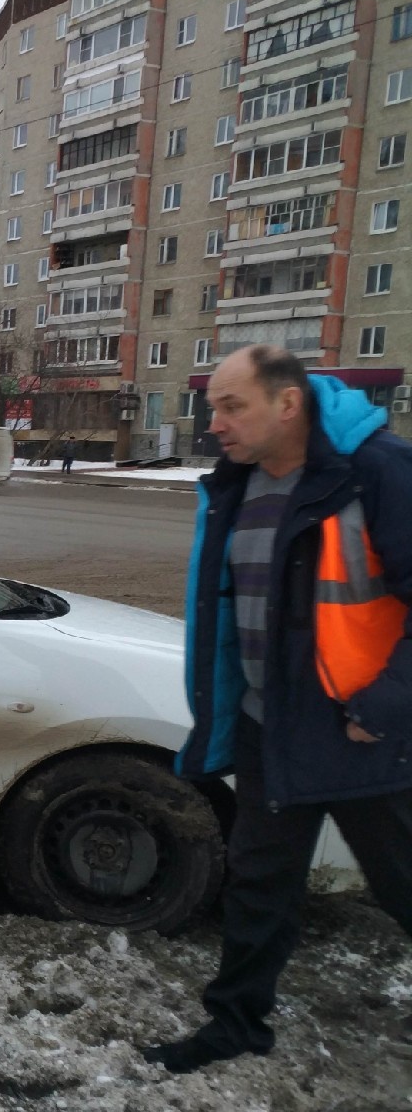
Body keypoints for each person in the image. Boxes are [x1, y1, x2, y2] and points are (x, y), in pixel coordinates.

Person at [143, 345, 412, 1074]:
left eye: (233, 406)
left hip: (365, 735)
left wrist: (384, 705)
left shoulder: (375, 471)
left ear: (286, 404)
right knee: (260, 884)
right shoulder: (239, 486)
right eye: (212, 407)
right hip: (273, 726)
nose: (215, 423)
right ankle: (234, 1026)